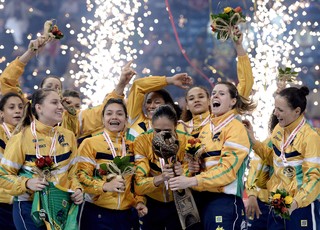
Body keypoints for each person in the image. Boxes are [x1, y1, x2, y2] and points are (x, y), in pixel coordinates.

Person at [168, 81, 256, 230]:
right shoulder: (206, 129)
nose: (216, 96)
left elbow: (227, 171)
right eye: (214, 93)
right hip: (199, 197)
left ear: (233, 101)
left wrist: (192, 180)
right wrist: (190, 169)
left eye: (222, 94)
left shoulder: (236, 127)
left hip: (224, 200)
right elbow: (198, 164)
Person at [0, 88, 83, 229]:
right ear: (39, 108)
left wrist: (77, 189)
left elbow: (73, 172)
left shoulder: (68, 136)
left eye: (60, 103)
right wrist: (26, 183)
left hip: (59, 206)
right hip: (29, 207)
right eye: (54, 102)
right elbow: (3, 175)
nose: (60, 107)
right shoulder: (20, 138)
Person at [243, 86, 320, 229]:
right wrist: (253, 141)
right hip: (277, 202)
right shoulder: (279, 129)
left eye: (280, 110)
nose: (275, 113)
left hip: (301, 206)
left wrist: (295, 203)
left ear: (297, 111)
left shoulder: (311, 138)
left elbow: (314, 178)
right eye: (275, 108)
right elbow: (273, 159)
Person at [77, 98, 147, 230]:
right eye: (109, 113)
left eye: (119, 114)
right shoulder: (90, 143)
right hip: (97, 213)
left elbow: (137, 181)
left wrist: (139, 202)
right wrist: (104, 186)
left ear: (126, 119)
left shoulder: (133, 146)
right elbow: (80, 177)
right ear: (102, 119)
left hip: (127, 215)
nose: (114, 117)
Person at [179, 27, 253, 137]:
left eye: (201, 96)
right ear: (187, 105)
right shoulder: (180, 128)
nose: (196, 100)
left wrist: (238, 46)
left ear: (209, 101)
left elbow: (246, 82)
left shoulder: (223, 118)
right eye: (191, 98)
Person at [134, 105, 188, 230]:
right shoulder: (142, 142)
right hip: (152, 203)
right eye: (157, 131)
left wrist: (184, 173)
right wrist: (160, 178)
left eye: (168, 132)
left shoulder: (186, 141)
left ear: (176, 127)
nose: (162, 136)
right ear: (151, 126)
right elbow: (138, 185)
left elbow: (194, 175)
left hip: (180, 202)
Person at [126, 72, 192, 142]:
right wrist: (169, 80)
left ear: (167, 105)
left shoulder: (177, 127)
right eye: (148, 102)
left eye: (157, 102)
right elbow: (137, 86)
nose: (151, 106)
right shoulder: (135, 120)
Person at [0, 92, 24, 230]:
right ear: (1, 113)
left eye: (20, 107)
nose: (17, 111)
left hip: (22, 200)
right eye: (12, 107)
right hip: (2, 201)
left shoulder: (28, 135)